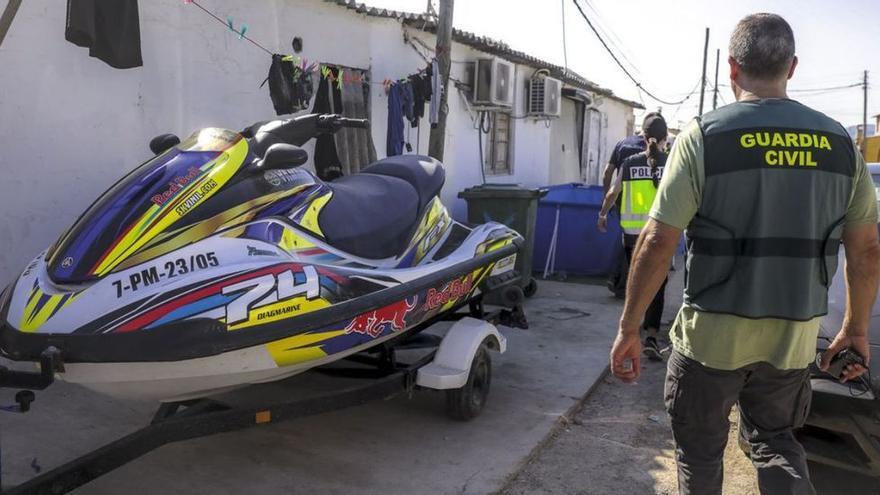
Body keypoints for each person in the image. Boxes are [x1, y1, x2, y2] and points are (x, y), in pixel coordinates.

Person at [609, 13, 880, 495]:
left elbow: (657, 240)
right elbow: (867, 251)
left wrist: (630, 329)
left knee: (699, 454)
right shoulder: (841, 144)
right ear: (791, 68)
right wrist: (854, 329)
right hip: (792, 339)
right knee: (777, 442)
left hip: (712, 338)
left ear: (731, 69)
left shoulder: (705, 136)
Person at [598, 113, 669, 361]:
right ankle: (650, 336)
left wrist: (603, 214)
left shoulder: (628, 163)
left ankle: (632, 331)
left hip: (632, 236)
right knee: (658, 284)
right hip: (661, 234)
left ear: (643, 136)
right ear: (664, 138)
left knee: (635, 281)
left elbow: (612, 192)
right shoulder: (671, 163)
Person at [602, 113, 660, 298]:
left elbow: (607, 173)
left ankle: (620, 282)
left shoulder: (622, 144)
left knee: (628, 241)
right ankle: (627, 286)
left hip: (624, 203)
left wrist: (606, 201)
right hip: (652, 208)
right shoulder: (659, 150)